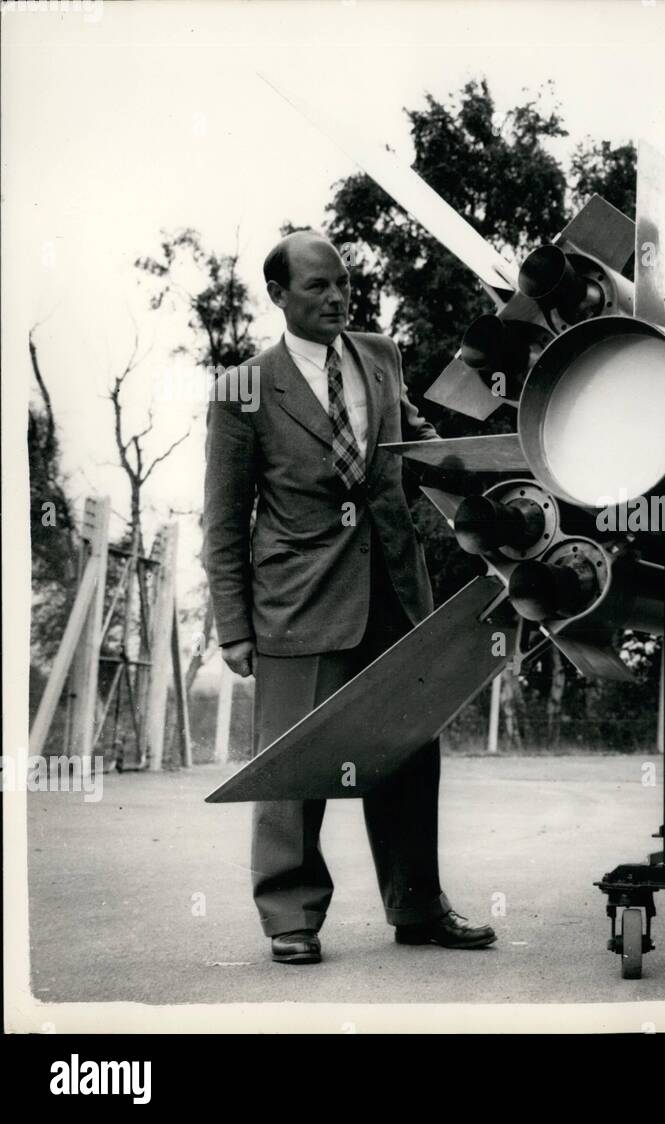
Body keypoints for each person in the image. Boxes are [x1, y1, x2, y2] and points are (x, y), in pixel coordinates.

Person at [203, 230, 495, 964]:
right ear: (278, 295)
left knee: (407, 753)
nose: (337, 297)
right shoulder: (243, 388)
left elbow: (420, 446)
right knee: (293, 766)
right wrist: (234, 628)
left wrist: (500, 464)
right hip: (297, 605)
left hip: (396, 595)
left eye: (342, 283)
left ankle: (418, 907)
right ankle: (290, 916)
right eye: (317, 288)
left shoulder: (381, 355)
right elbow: (224, 515)